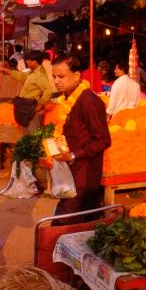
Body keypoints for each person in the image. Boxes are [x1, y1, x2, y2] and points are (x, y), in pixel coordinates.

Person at [51, 55, 111, 222]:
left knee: (62, 224)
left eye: (61, 76)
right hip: (71, 174)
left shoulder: (89, 101)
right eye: (54, 77)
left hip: (84, 176)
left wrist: (73, 155)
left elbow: (103, 140)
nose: (56, 81)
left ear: (77, 76)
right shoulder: (68, 100)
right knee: (84, 224)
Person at [3, 50, 52, 132]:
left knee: (32, 134)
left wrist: (40, 104)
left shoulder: (40, 75)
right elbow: (22, 76)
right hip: (26, 106)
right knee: (26, 132)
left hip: (32, 108)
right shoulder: (32, 72)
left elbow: (48, 90)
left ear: (34, 61)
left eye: (28, 60)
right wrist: (8, 72)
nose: (26, 62)